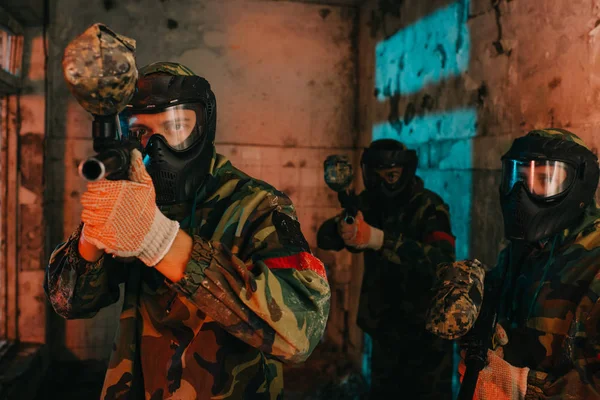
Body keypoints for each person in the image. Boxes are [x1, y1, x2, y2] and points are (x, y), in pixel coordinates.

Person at [44, 62, 331, 400]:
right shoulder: (136, 193)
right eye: (140, 133)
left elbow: (302, 333)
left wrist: (160, 241)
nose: (158, 146)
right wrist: (91, 237)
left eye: (176, 125)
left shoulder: (256, 205)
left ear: (202, 127)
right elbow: (69, 303)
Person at [443, 129, 600, 399]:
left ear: (579, 184)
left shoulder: (593, 261)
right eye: (518, 177)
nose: (522, 194)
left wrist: (520, 387)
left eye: (545, 179)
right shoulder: (524, 249)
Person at [317, 139, 456, 399]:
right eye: (374, 176)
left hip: (426, 337)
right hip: (385, 331)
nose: (382, 184)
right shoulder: (369, 203)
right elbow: (325, 238)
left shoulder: (428, 206)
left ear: (406, 172)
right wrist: (344, 227)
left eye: (390, 175)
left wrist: (378, 239)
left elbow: (442, 261)